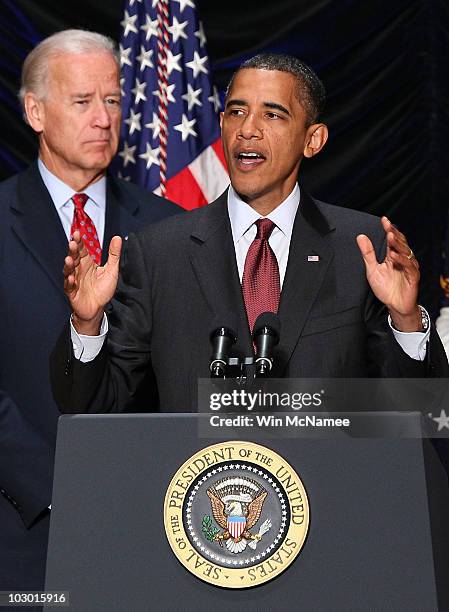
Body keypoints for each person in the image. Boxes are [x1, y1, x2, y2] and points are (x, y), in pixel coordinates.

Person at [51, 53, 448, 417]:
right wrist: (87, 326)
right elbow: (94, 409)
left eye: (272, 115)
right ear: (221, 124)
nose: (248, 130)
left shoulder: (361, 249)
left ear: (313, 140)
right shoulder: (157, 254)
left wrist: (406, 320)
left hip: (328, 489)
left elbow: (417, 416)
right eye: (237, 112)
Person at [0, 30, 179, 595]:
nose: (104, 119)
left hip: (151, 523)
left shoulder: (168, 227)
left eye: (114, 100)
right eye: (82, 101)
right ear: (35, 110)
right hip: (21, 526)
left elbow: (179, 373)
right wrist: (54, 485)